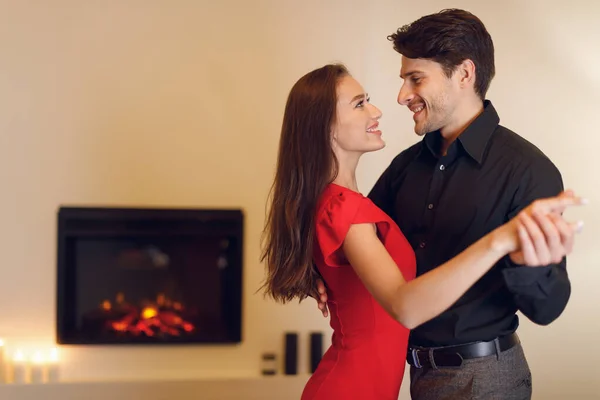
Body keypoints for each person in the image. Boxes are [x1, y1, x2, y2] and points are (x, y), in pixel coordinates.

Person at [261, 63, 584, 399]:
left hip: (481, 376)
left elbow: (354, 248)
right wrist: (501, 239)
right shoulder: (392, 177)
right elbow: (399, 299)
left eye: (416, 79)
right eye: (359, 104)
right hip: (384, 382)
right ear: (323, 126)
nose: (393, 101)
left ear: (464, 74)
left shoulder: (526, 167)